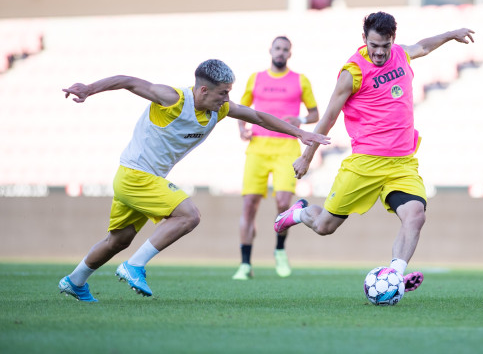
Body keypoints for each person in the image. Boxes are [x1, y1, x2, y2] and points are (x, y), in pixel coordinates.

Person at [57, 59, 330, 302]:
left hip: (145, 179)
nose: (226, 99)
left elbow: (257, 116)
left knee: (118, 240)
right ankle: (134, 266)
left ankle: (75, 281)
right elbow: (128, 82)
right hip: (134, 175)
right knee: (189, 215)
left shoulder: (219, 110)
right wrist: (88, 89)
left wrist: (299, 133)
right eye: (223, 93)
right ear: (203, 90)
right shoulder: (172, 98)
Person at [274, 12, 474, 294]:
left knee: (416, 214)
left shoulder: (401, 54)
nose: (380, 52)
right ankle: (300, 213)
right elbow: (328, 117)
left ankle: (395, 276)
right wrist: (307, 157)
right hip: (365, 164)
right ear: (364, 39)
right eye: (374, 45)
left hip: (402, 163)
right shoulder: (351, 72)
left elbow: (424, 46)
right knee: (323, 226)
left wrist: (451, 34)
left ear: (393, 39)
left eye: (385, 45)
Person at [232, 36, 320, 280]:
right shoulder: (256, 78)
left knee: (283, 203)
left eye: (285, 49)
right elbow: (241, 107)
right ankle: (245, 264)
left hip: (286, 148)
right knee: (249, 205)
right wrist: (241, 129)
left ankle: (280, 250)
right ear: (270, 50)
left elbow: (314, 113)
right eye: (277, 48)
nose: (281, 52)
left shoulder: (300, 80)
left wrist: (301, 120)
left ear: (290, 54)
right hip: (258, 147)